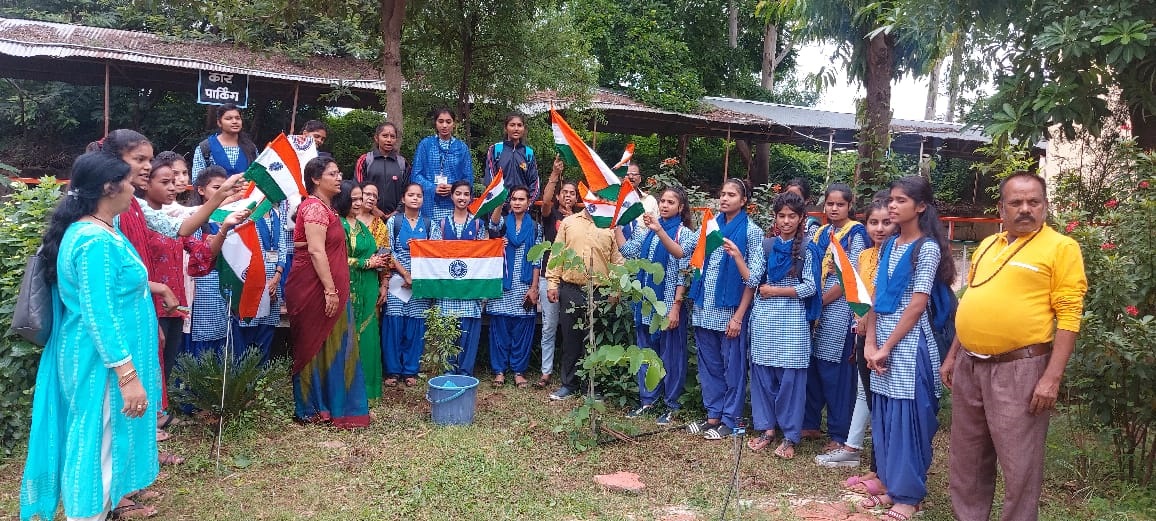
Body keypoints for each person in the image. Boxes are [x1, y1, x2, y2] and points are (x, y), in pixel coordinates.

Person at [20, 152, 161, 521]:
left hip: (99, 360)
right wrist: (127, 376)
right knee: (98, 448)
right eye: (129, 181)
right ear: (108, 187)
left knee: (100, 445)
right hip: (100, 364)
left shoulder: (100, 230)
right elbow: (100, 314)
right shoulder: (93, 239)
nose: (135, 188)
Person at [942, 173, 1087, 521]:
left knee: (1020, 464)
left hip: (1020, 368)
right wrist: (952, 356)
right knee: (968, 457)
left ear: (1045, 205)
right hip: (970, 366)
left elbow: (1069, 315)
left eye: (1033, 202)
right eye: (1016, 203)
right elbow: (972, 300)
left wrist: (1052, 377)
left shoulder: (1061, 247)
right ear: (1002, 209)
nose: (1025, 209)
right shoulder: (989, 245)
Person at [862, 176, 957, 520]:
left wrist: (886, 346)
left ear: (920, 207)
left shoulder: (927, 248)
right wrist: (870, 343)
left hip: (911, 344)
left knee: (909, 418)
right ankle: (890, 485)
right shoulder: (888, 245)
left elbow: (917, 305)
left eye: (900, 201)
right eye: (891, 200)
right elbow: (875, 297)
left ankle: (910, 496)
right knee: (886, 414)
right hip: (883, 340)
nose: (892, 206)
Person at [138, 155, 242, 411]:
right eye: (166, 182)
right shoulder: (140, 220)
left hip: (177, 303)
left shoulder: (174, 223)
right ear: (145, 185)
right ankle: (149, 418)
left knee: (168, 360)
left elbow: (202, 254)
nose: (173, 187)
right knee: (150, 363)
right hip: (150, 301)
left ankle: (158, 413)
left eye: (175, 181)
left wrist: (224, 228)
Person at [283, 157, 369, 428]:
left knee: (335, 344)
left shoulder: (327, 209)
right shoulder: (314, 209)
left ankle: (332, 406)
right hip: (314, 290)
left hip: (330, 288)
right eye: (332, 173)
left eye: (339, 171)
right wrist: (330, 291)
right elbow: (316, 251)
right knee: (314, 345)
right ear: (316, 179)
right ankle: (311, 408)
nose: (338, 177)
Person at [685, 179, 765, 439]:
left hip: (731, 313)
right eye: (722, 194)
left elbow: (753, 279)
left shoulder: (752, 232)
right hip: (704, 307)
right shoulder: (710, 226)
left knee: (733, 369)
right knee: (710, 367)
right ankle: (713, 416)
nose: (725, 199)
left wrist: (739, 317)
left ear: (743, 201)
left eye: (732, 195)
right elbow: (684, 251)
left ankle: (732, 420)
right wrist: (659, 231)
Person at [823, 197, 893, 481]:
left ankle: (881, 461)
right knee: (866, 392)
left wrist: (868, 324)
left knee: (882, 397)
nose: (879, 229)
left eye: (886, 222)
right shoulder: (865, 256)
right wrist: (860, 321)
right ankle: (854, 448)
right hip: (862, 332)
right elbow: (858, 293)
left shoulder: (898, 254)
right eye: (873, 223)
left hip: (887, 335)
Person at [745, 191, 818, 458]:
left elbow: (810, 287)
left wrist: (776, 291)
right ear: (775, 218)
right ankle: (766, 429)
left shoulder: (809, 249)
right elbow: (753, 279)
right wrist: (737, 258)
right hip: (765, 318)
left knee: (790, 379)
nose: (786, 221)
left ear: (801, 219)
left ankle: (789, 436)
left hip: (792, 319)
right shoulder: (766, 246)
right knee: (763, 374)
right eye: (781, 216)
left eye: (792, 216)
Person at [615, 186, 695, 426]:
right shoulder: (648, 230)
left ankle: (672, 404)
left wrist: (676, 307)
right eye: (662, 201)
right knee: (647, 353)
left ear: (681, 207)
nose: (664, 205)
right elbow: (628, 251)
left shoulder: (685, 233)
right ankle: (647, 401)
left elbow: (683, 265)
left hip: (668, 305)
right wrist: (616, 227)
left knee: (671, 356)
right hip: (645, 304)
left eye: (671, 202)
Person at [803, 183, 869, 454]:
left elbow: (849, 279)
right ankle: (810, 423)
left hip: (840, 310)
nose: (833, 208)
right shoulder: (821, 232)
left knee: (837, 373)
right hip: (817, 308)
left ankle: (839, 432)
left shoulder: (856, 233)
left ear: (850, 206)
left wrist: (819, 301)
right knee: (814, 367)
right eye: (829, 203)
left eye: (840, 204)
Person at [545, 199, 624, 400]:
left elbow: (618, 261)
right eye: (590, 197)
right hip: (571, 289)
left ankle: (592, 387)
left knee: (595, 340)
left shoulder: (610, 226)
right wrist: (553, 283)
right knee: (570, 338)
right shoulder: (569, 222)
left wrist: (616, 289)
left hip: (599, 291)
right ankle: (568, 385)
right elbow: (557, 254)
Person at [335, 181, 389, 400]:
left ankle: (368, 388)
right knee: (349, 336)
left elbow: (373, 253)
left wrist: (379, 263)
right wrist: (367, 263)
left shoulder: (361, 225)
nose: (358, 203)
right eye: (354, 199)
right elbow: (336, 259)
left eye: (360, 199)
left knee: (368, 336)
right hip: (350, 288)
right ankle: (348, 388)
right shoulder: (339, 224)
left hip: (368, 287)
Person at [432, 180, 491, 376]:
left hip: (470, 291)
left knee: (468, 333)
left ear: (471, 198)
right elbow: (432, 254)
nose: (462, 198)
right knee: (448, 331)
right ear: (451, 196)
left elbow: (485, 257)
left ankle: (465, 372)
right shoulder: (440, 224)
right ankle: (448, 371)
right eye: (458, 193)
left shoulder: (478, 224)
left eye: (466, 194)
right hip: (446, 290)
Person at [486, 186, 542, 387]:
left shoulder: (536, 227)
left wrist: (534, 288)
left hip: (524, 284)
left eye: (521, 199)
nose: (517, 202)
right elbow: (492, 227)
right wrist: (498, 202)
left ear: (528, 203)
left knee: (522, 329)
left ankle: (519, 371)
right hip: (503, 283)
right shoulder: (502, 223)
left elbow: (537, 260)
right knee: (499, 328)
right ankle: (499, 371)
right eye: (514, 199)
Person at [383, 182, 433, 387]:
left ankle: (411, 370)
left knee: (416, 325)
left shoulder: (430, 224)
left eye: (419, 195)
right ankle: (393, 371)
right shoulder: (393, 222)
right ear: (403, 198)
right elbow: (387, 250)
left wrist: (416, 278)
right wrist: (405, 275)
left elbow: (433, 252)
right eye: (411, 195)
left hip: (420, 284)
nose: (415, 198)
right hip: (396, 281)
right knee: (394, 325)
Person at [186, 167, 235, 358]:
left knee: (222, 336)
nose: (222, 192)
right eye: (216, 187)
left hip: (223, 283)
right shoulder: (196, 218)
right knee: (201, 340)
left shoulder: (230, 215)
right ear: (200, 190)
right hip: (202, 285)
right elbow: (193, 254)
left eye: (225, 187)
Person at [535, 160, 575, 388]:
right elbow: (546, 201)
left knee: (569, 328)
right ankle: (545, 371)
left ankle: (568, 374)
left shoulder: (581, 219)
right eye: (565, 193)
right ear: (559, 197)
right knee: (549, 326)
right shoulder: (551, 216)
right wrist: (554, 174)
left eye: (572, 193)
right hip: (548, 277)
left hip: (571, 280)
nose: (568, 196)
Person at [410, 109, 473, 222]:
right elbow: (416, 175)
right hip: (429, 203)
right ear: (435, 123)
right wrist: (433, 187)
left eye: (448, 122)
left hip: (454, 204)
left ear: (454, 124)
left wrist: (454, 188)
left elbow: (468, 178)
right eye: (441, 121)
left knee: (451, 237)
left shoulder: (461, 147)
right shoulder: (426, 144)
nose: (444, 125)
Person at [354, 122, 408, 218]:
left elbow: (407, 189)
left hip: (396, 218)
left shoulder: (402, 163)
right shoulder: (365, 160)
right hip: (368, 216)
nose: (389, 140)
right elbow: (358, 187)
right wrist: (373, 209)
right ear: (376, 138)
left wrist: (397, 211)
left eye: (392, 136)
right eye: (385, 136)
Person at [483, 113, 540, 201]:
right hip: (499, 207)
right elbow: (490, 180)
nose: (516, 129)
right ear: (506, 128)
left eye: (519, 125)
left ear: (524, 129)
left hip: (522, 207)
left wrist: (528, 202)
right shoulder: (495, 150)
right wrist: (502, 203)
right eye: (512, 125)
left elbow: (534, 182)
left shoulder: (528, 153)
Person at [192, 103, 258, 177]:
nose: (234, 121)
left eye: (237, 118)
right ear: (219, 123)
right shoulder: (205, 148)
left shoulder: (251, 148)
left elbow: (258, 177)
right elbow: (197, 182)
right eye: (228, 118)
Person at [620, 162, 660, 241]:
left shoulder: (650, 200)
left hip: (643, 247)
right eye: (627, 174)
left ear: (640, 178)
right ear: (621, 178)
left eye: (634, 174)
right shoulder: (613, 200)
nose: (631, 177)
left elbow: (658, 226)